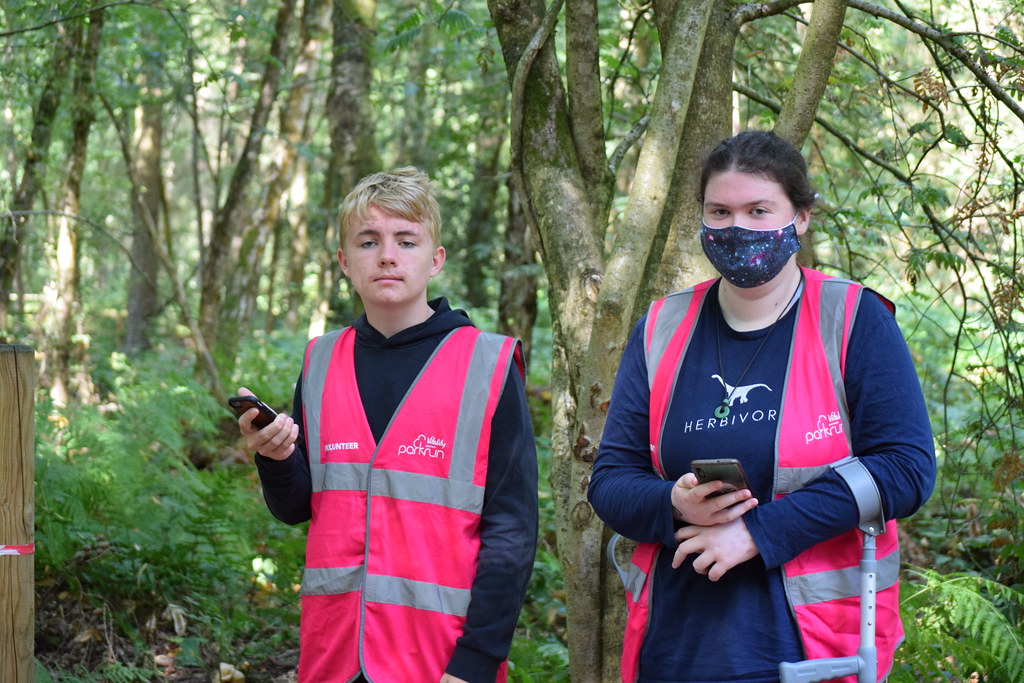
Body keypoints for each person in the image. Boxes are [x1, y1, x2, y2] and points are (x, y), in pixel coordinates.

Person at [588, 131, 935, 683]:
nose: (737, 228)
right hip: (674, 645)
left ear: (801, 217)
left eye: (758, 210)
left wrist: (758, 532)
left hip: (810, 650)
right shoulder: (660, 327)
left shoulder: (852, 318)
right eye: (719, 212)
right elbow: (609, 480)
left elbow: (906, 468)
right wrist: (674, 503)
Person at [236, 167, 538, 683]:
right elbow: (296, 508)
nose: (388, 256)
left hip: (440, 658)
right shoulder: (321, 360)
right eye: (368, 241)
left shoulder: (486, 364)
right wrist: (276, 456)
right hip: (334, 653)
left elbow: (512, 530)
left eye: (407, 241)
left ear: (435, 259)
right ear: (344, 262)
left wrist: (477, 660)